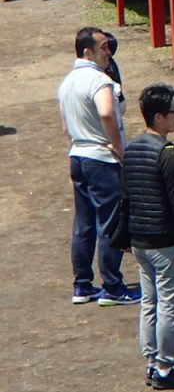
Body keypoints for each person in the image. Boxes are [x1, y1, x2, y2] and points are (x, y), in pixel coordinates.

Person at [118, 84, 174, 390]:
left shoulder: (133, 148)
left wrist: (125, 235)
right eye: (173, 112)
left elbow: (126, 197)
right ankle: (167, 367)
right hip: (166, 242)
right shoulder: (167, 154)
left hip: (140, 240)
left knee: (149, 302)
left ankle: (152, 361)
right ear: (159, 117)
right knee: (170, 304)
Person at [57, 27, 139, 307]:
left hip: (77, 156)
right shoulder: (100, 81)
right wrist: (117, 146)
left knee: (84, 223)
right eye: (103, 47)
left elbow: (66, 126)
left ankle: (82, 286)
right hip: (102, 160)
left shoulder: (67, 82)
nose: (109, 52)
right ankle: (113, 287)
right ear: (87, 51)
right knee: (110, 223)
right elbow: (107, 111)